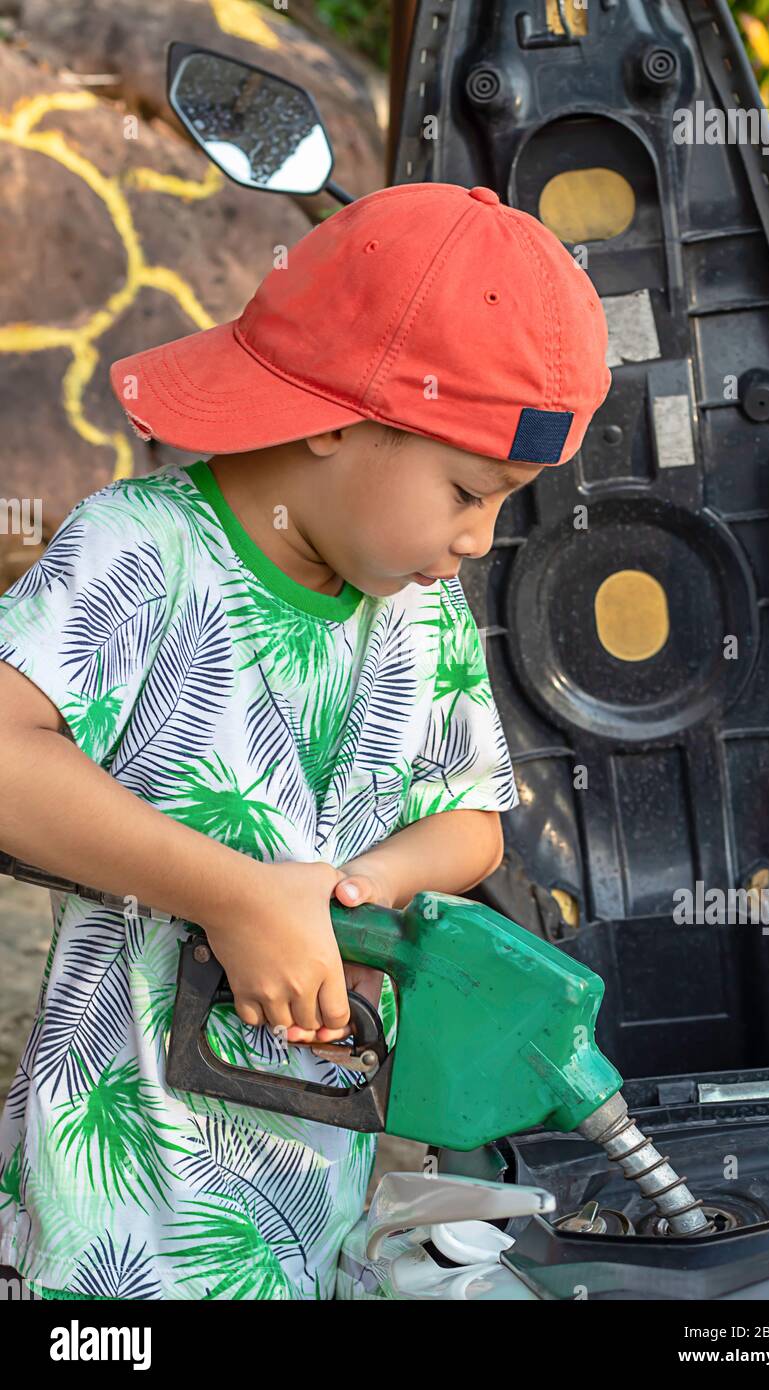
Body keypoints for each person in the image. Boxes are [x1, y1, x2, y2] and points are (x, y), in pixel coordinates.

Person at [0, 181, 610, 1300]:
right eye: (467, 491)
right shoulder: (146, 553)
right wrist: (236, 894)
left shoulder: (421, 614)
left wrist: (354, 884)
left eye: (506, 503)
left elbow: (471, 821)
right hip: (121, 1219)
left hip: (315, 1196)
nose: (475, 541)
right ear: (333, 415)